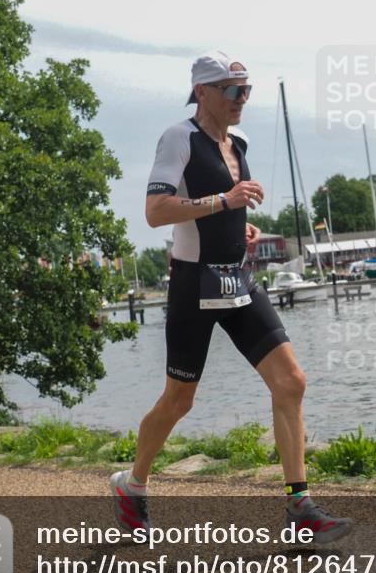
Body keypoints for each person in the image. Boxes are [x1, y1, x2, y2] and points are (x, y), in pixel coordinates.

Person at [110, 51, 353, 544]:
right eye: (232, 90)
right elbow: (156, 212)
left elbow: (228, 205)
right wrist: (225, 202)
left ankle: (299, 507)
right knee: (180, 401)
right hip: (192, 285)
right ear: (202, 91)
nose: (242, 99)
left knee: (291, 382)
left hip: (236, 279)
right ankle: (133, 486)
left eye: (246, 89)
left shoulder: (239, 141)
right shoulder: (179, 138)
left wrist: (240, 225)